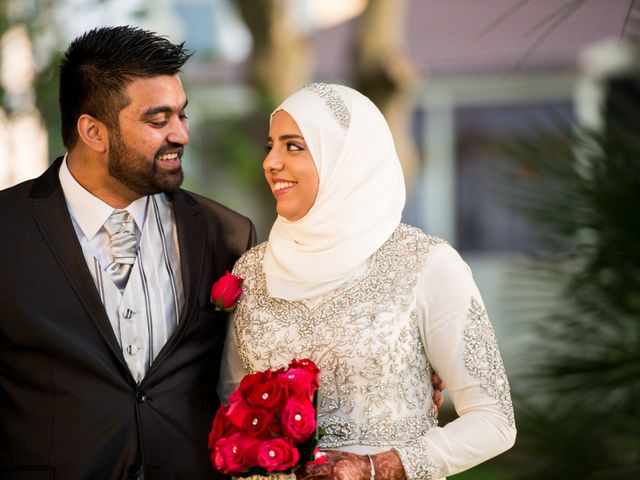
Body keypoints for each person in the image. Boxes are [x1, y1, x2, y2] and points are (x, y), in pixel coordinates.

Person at [218, 84, 516, 479]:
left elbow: (494, 421)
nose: (271, 162)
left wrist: (376, 468)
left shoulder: (424, 263)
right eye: (270, 145)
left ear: (346, 158)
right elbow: (231, 404)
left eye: (293, 146)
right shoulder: (250, 273)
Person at [0, 26, 255, 479]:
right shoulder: (7, 229)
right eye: (158, 121)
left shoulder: (227, 234)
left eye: (182, 115)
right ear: (93, 132)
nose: (181, 135)